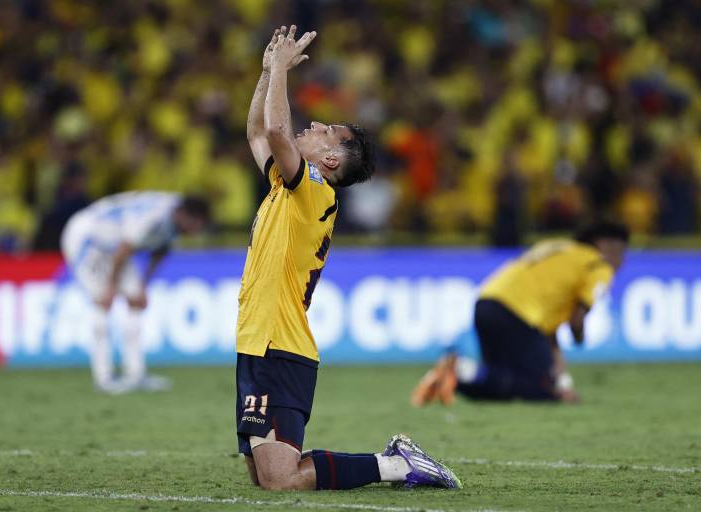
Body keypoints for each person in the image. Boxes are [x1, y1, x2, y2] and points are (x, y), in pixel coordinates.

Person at [236, 24, 461, 492]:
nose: (314, 126)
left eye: (327, 132)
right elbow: (257, 131)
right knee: (265, 476)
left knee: (281, 479)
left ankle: (395, 464)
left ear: (332, 162)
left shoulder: (315, 190)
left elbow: (275, 129)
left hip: (281, 346)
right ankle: (391, 463)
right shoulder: (287, 185)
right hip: (259, 342)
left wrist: (282, 70)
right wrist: (267, 72)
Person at [411, 220, 630, 405]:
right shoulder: (599, 265)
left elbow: (549, 338)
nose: (622, 260)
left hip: (487, 303)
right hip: (517, 314)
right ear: (605, 245)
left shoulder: (557, 247)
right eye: (621, 252)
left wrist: (564, 384)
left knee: (498, 382)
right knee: (539, 388)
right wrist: (579, 337)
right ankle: (461, 369)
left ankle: (459, 374)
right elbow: (576, 321)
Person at [61, 191, 209, 393]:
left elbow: (160, 251)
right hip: (87, 238)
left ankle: (135, 374)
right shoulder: (154, 217)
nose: (197, 230)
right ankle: (104, 378)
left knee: (136, 300)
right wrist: (110, 286)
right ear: (186, 215)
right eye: (197, 224)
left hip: (114, 246)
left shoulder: (176, 216)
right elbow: (125, 248)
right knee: (103, 301)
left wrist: (144, 285)